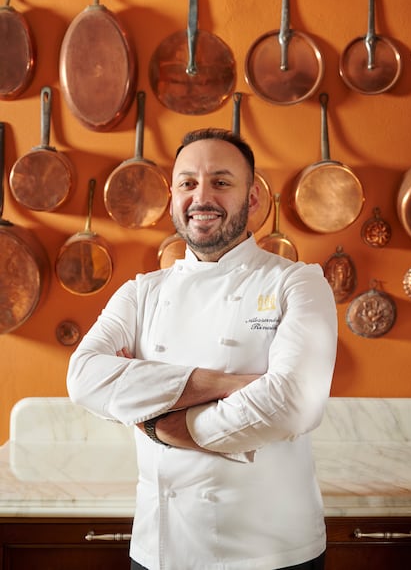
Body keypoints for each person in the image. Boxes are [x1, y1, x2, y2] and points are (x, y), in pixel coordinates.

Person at [67, 128, 338, 570]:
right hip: (160, 550)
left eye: (222, 182)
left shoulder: (297, 282)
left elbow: (293, 405)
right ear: (173, 197)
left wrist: (170, 427)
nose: (202, 197)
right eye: (188, 183)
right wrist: (224, 384)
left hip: (269, 552)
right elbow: (83, 379)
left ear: (252, 200)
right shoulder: (141, 293)